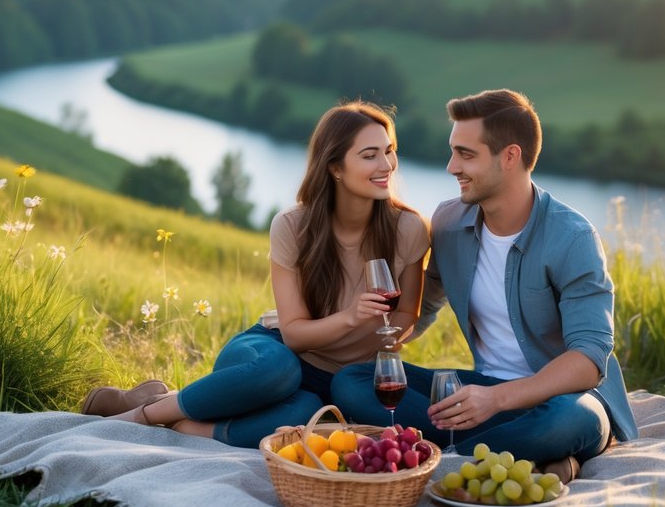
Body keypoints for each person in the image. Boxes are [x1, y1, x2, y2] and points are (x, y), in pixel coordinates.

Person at [81, 101, 430, 448]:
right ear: (335, 167)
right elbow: (293, 336)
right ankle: (140, 416)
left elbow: (406, 314)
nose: (387, 165)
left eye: (390, 151)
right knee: (281, 371)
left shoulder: (408, 229)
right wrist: (353, 317)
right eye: (370, 155)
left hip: (343, 379)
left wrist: (382, 342)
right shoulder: (293, 226)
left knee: (308, 416)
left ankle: (182, 424)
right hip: (274, 353)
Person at [331, 89, 637, 482]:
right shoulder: (449, 223)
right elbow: (421, 309)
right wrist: (350, 340)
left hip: (561, 399)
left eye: (466, 154)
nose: (451, 166)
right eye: (453, 151)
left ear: (510, 157)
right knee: (353, 382)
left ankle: (446, 448)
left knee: (566, 422)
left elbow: (590, 359)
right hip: (482, 391)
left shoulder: (572, 238)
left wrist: (497, 400)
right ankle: (521, 454)